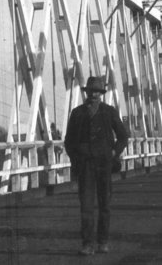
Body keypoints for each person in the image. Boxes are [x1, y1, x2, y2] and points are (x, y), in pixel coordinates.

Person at [64, 76, 129, 256]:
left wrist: (114, 152)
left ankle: (103, 241)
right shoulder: (77, 113)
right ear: (87, 92)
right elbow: (69, 142)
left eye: (97, 92)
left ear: (101, 94)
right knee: (86, 206)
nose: (94, 94)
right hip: (85, 166)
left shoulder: (109, 112)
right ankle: (87, 244)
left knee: (105, 205)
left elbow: (123, 136)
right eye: (91, 91)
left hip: (104, 165)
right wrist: (76, 159)